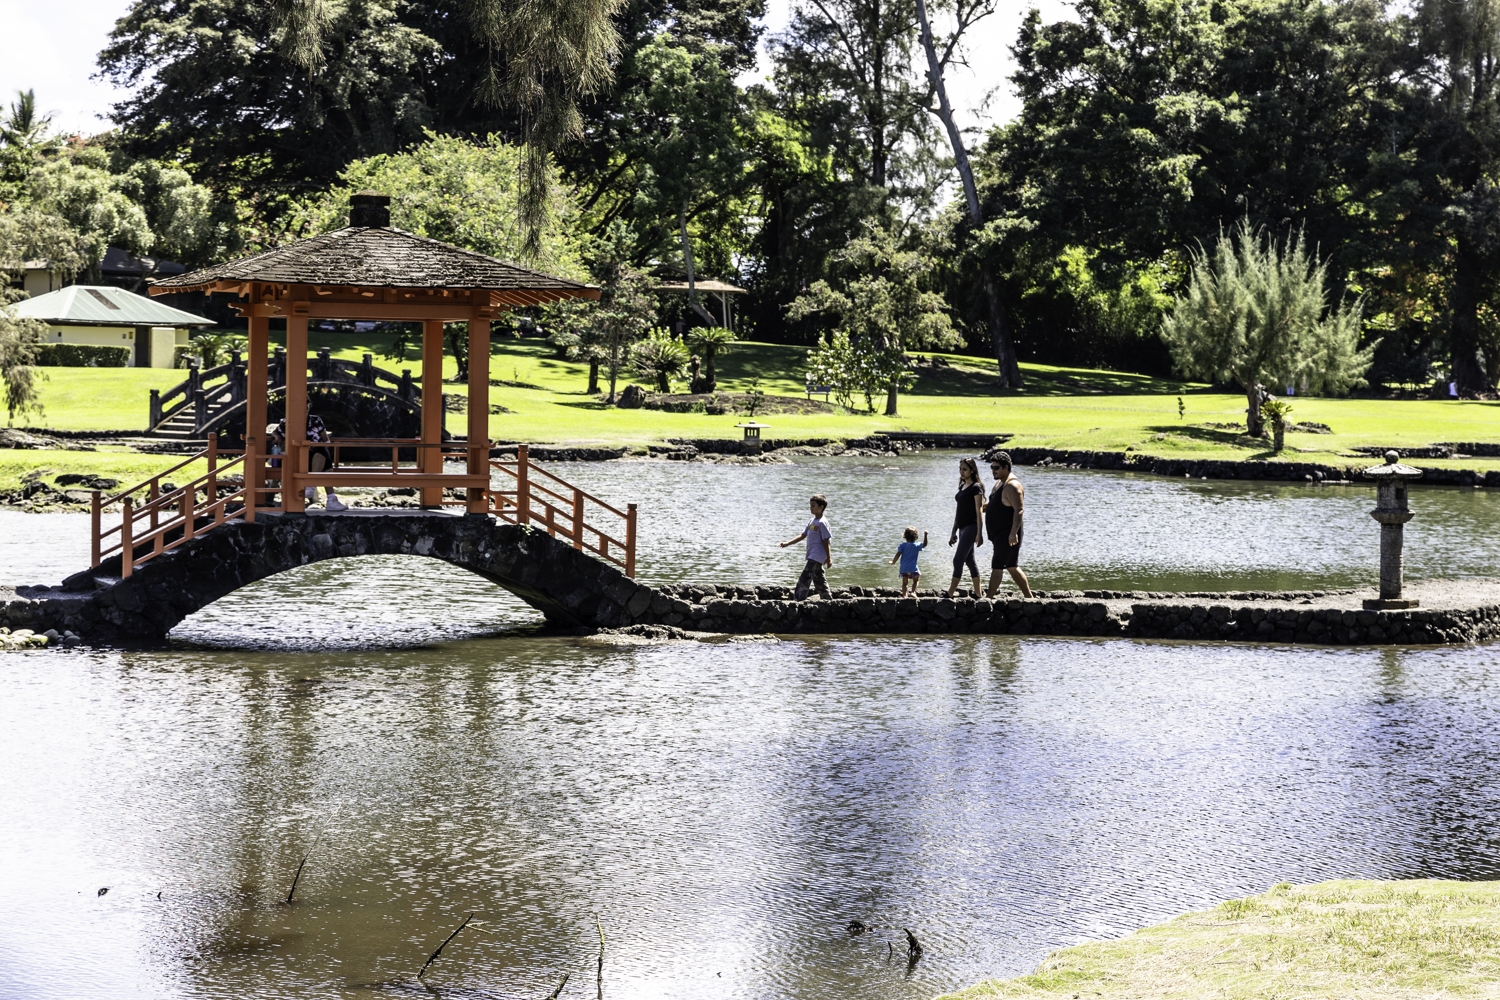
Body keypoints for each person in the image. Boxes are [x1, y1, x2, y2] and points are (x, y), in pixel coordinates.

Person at [985, 452, 1033, 598]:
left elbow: (1019, 510)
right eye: (992, 467)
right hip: (1000, 533)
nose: (993, 470)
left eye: (996, 467)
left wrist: (1013, 533)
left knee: (997, 566)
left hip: (1007, 533)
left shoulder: (1013, 486)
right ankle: (1029, 598)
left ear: (1006, 467)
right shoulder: (1000, 482)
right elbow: (994, 505)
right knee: (1012, 566)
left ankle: (988, 599)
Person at [278, 414, 347, 511]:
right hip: (296, 457)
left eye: (307, 405)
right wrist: (278, 438)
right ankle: (329, 497)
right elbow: (276, 432)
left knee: (321, 450)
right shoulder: (288, 420)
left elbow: (326, 440)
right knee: (325, 458)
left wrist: (316, 446)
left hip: (316, 457)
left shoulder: (315, 420)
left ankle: (315, 489)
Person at [780, 494, 832, 600]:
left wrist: (829, 558)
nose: (811, 508)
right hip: (813, 555)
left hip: (817, 556)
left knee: (805, 578)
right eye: (810, 506)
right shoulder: (812, 521)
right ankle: (827, 599)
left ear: (821, 507)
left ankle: (798, 600)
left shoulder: (822, 523)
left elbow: (826, 541)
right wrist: (787, 543)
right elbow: (803, 535)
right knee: (819, 579)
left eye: (813, 505)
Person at [947, 458, 985, 597]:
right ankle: (979, 594)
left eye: (964, 469)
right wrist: (953, 532)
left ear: (972, 470)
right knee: (970, 561)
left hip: (971, 527)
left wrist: (979, 534)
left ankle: (950, 593)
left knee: (958, 560)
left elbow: (979, 511)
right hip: (962, 528)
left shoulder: (976, 487)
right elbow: (958, 512)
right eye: (960, 469)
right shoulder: (962, 486)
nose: (961, 472)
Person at [890, 527, 928, 596]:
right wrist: (925, 535)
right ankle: (913, 592)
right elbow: (924, 544)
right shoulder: (916, 545)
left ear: (905, 536)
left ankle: (905, 596)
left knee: (905, 583)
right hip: (913, 568)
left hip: (904, 568)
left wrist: (893, 562)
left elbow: (898, 554)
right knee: (916, 580)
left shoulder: (902, 545)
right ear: (916, 537)